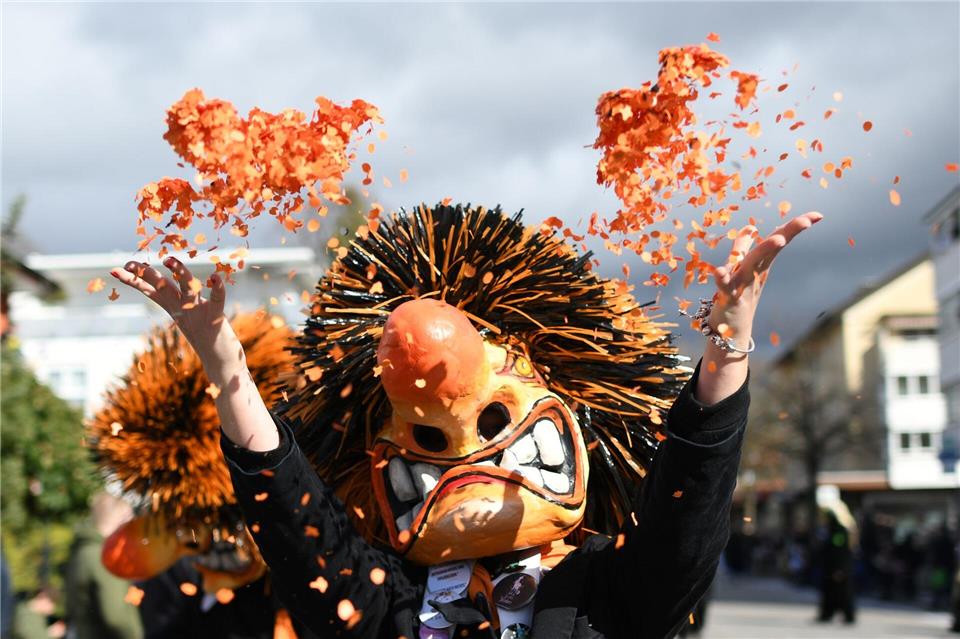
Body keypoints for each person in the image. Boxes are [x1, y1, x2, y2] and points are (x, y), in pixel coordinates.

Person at [112, 203, 821, 638]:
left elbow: (685, 515)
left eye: (490, 418)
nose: (464, 448)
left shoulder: (608, 591)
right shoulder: (389, 604)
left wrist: (727, 348)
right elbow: (299, 531)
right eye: (425, 438)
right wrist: (229, 373)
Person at [64, 492, 143, 639]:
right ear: (121, 519)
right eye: (130, 519)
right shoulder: (106, 557)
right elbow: (116, 617)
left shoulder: (83, 551)